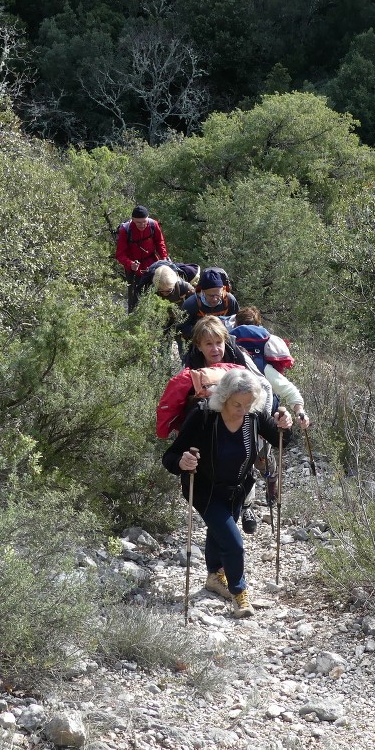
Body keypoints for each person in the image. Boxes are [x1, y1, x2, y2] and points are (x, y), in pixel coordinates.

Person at [162, 368, 293, 617]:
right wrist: (182, 462)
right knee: (234, 544)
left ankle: (214, 576)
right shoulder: (203, 417)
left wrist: (283, 426)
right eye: (237, 405)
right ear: (223, 398)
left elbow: (282, 441)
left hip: (238, 490)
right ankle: (239, 594)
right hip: (205, 491)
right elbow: (170, 456)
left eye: (248, 404)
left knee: (219, 532)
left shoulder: (253, 416)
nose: (243, 410)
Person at [116, 205, 169, 313]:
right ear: (133, 220)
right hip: (134, 269)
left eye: (144, 221)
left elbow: (160, 243)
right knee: (134, 299)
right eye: (138, 222)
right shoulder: (125, 230)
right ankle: (133, 323)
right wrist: (130, 264)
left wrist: (164, 258)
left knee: (157, 294)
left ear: (148, 218)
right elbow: (120, 254)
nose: (142, 225)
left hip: (152, 264)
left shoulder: (153, 225)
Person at [178, 267, 239, 340]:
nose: (215, 299)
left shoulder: (229, 300)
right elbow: (181, 326)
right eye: (211, 296)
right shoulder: (192, 303)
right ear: (203, 292)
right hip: (198, 341)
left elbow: (237, 321)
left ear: (222, 290)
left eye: (218, 295)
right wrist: (202, 334)